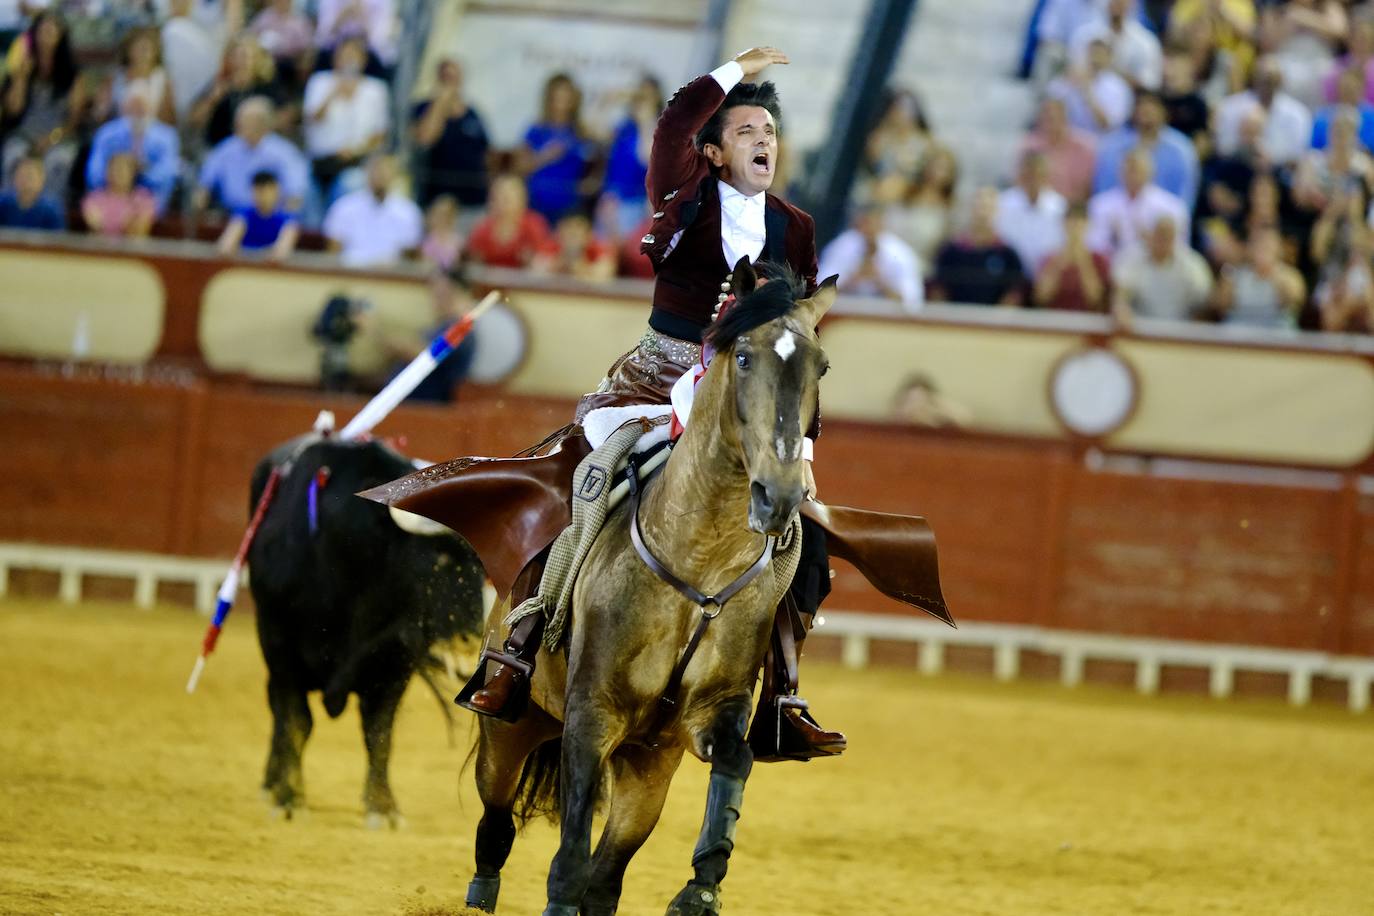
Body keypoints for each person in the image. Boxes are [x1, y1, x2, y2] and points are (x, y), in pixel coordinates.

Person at [465, 46, 849, 760]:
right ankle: (522, 640)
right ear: (713, 151)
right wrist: (732, 72)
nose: (764, 140)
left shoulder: (793, 227)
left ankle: (782, 694)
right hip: (652, 383)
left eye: (770, 130)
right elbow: (675, 123)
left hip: (744, 402)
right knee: (587, 484)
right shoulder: (687, 198)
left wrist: (803, 451)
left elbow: (796, 352)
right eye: (746, 130)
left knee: (805, 533)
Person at [0, 11, 84, 201]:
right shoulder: (23, 68)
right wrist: (20, 77)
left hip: (59, 136)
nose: (46, 36)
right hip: (24, 134)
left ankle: (49, 212)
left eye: (52, 31)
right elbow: (13, 110)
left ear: (61, 36)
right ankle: (8, 211)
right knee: (13, 155)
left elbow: (74, 120)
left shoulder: (72, 75)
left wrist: (52, 138)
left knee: (58, 161)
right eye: (42, 30)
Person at [303, 36, 388, 205]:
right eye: (344, 56)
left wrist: (356, 150)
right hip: (320, 160)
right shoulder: (320, 81)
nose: (348, 61)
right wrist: (334, 92)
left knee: (350, 185)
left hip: (355, 163)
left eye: (353, 56)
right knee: (302, 188)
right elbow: (311, 119)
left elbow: (379, 134)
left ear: (363, 60)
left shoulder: (375, 90)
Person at [196, 96, 308, 214]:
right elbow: (204, 184)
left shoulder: (285, 153)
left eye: (249, 122)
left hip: (268, 217)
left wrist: (279, 221)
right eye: (240, 123)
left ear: (264, 123)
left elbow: (295, 196)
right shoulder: (227, 148)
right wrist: (200, 206)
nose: (241, 127)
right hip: (229, 215)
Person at [1093, 90, 1199, 209]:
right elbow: (1103, 190)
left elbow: (1186, 195)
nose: (1146, 111)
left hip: (1164, 219)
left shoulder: (1181, 150)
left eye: (1152, 107)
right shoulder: (1112, 146)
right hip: (1118, 217)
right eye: (1141, 106)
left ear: (1165, 112)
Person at [411, 58, 490, 210]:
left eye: (454, 78)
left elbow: (486, 152)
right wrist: (440, 103)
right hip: (437, 199)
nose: (450, 84)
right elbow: (425, 139)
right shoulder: (423, 109)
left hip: (472, 199)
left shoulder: (472, 113)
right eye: (446, 78)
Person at [85, 90, 180, 215]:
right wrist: (117, 179)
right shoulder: (107, 134)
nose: (138, 111)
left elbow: (167, 174)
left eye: (142, 107)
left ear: (152, 109)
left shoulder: (167, 136)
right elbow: (94, 172)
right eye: (133, 106)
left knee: (146, 204)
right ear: (125, 108)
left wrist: (138, 175)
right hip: (111, 193)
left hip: (150, 197)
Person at [188, 34, 289, 148]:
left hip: (257, 146)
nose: (239, 62)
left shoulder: (266, 85)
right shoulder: (220, 84)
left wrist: (256, 126)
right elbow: (194, 120)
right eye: (235, 57)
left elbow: (285, 115)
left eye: (244, 56)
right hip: (221, 147)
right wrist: (213, 99)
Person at [518, 72, 594, 223]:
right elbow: (520, 167)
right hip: (538, 203)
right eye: (557, 95)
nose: (561, 100)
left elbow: (597, 164)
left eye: (566, 95)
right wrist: (544, 156)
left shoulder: (582, 131)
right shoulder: (536, 129)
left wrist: (591, 183)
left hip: (570, 208)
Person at [322, 153, 422, 267]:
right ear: (366, 172)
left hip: (390, 277)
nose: (380, 175)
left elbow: (409, 256)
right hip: (351, 274)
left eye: (385, 171)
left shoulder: (408, 212)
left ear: (395, 175)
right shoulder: (344, 207)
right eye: (376, 169)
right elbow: (333, 251)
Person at [930, 187, 1026, 306]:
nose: (982, 213)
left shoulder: (1008, 254)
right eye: (978, 206)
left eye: (988, 207)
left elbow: (1014, 294)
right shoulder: (950, 251)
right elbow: (938, 291)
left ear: (997, 211)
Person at [1086, 148, 1189, 258]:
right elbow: (1094, 245)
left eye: (1138, 170)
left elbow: (1180, 249)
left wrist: (1151, 240)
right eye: (1129, 170)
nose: (1133, 175)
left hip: (1154, 268)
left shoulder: (1171, 207)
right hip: (1112, 266)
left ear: (1151, 172)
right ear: (1119, 172)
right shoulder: (1100, 204)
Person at [818, 203, 924, 311]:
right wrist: (853, 279)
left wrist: (879, 281)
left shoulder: (901, 254)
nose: (869, 230)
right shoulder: (840, 247)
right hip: (845, 313)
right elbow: (818, 295)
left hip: (884, 318)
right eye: (864, 224)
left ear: (882, 224)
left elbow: (912, 303)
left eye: (874, 224)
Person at [1214, 56, 1313, 167]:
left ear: (1280, 80)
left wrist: (1271, 159)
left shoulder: (1297, 114)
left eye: (1271, 79)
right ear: (1253, 78)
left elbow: (1297, 156)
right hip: (1237, 168)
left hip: (1278, 173)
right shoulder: (1231, 107)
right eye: (1262, 78)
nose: (1266, 84)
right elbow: (1222, 148)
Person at [595, 74, 662, 239]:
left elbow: (646, 158)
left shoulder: (659, 128)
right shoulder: (625, 127)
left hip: (634, 203)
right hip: (610, 199)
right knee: (602, 250)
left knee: (627, 254)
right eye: (638, 97)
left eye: (646, 97)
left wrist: (645, 120)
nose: (640, 102)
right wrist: (607, 102)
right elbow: (597, 133)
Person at [1111, 214, 1214, 321]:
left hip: (1181, 329)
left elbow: (1204, 302)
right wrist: (1121, 307)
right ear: (1150, 235)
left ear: (1175, 237)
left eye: (1168, 236)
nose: (1163, 241)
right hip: (1139, 327)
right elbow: (1121, 294)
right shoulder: (1131, 258)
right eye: (1159, 234)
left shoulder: (1193, 264)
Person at [161, 0, 243, 121]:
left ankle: (180, 114)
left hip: (216, 52)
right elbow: (177, 16)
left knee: (174, 31)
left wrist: (223, 69)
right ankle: (179, 111)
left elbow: (233, 34)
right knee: (173, 30)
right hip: (190, 53)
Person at [1212, 226, 1305, 328]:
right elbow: (1221, 306)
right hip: (1240, 328)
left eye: (1268, 245)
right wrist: (1231, 265)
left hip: (1276, 330)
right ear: (1249, 248)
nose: (1262, 248)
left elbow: (1295, 302)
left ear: (1279, 248)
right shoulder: (1234, 273)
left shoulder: (1290, 276)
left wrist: (1273, 275)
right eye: (1258, 244)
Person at [996, 149, 1067, 278]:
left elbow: (1062, 250)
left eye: (1038, 174)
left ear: (1046, 176)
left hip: (1047, 279)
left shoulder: (1060, 207)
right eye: (1028, 174)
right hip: (1010, 278)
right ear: (1020, 175)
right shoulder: (1002, 204)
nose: (1033, 179)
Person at [887, 145, 958, 275]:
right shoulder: (904, 192)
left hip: (919, 268)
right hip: (889, 259)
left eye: (943, 169)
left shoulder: (949, 209)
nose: (936, 172)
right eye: (934, 166)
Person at [1046, 37, 1134, 134]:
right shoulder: (1073, 76)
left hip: (1100, 141)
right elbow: (1050, 102)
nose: (1096, 58)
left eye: (1100, 54)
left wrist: (1087, 90)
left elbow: (1106, 124)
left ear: (1109, 58)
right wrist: (1067, 80)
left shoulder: (1119, 88)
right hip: (1067, 137)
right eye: (1093, 53)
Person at [1070, 0, 1163, 91]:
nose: (1117, 2)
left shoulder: (1146, 41)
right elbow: (1074, 73)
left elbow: (1151, 83)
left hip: (1134, 100)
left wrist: (1114, 72)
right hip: (1089, 97)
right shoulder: (1085, 36)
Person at [1020, 96, 1098, 203]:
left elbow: (1088, 188)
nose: (1050, 123)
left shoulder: (1084, 147)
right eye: (1046, 118)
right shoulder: (1029, 146)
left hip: (1073, 210)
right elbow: (1021, 182)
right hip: (1037, 208)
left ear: (1065, 119)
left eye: (1054, 118)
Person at [1034, 203, 1111, 312]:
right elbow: (1041, 296)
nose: (1075, 227)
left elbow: (1095, 298)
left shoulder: (1099, 260)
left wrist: (1083, 260)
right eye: (1071, 221)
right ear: (1063, 224)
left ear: (1088, 225)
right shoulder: (1049, 258)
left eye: (1080, 222)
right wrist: (1060, 260)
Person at [465, 173, 551, 268]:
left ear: (521, 200)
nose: (501, 204)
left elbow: (546, 259)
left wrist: (534, 262)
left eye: (506, 199)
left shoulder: (534, 225)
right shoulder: (482, 228)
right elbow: (472, 259)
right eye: (496, 198)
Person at [216, 170, 299, 261]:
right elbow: (225, 248)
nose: (261, 196)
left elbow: (280, 254)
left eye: (265, 191)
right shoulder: (243, 215)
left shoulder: (288, 220)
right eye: (257, 191)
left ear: (276, 190)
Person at [110, 26, 175, 126]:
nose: (143, 54)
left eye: (146, 49)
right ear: (128, 50)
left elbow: (169, 118)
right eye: (138, 48)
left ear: (155, 52)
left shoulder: (162, 79)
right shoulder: (116, 77)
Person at [81, 152, 155, 238]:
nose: (117, 173)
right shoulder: (94, 198)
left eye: (123, 169)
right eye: (113, 168)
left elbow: (140, 231)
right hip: (100, 247)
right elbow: (95, 226)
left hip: (131, 249)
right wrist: (127, 221)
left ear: (133, 173)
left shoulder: (144, 198)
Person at [314, 0, 398, 74]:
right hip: (334, 49)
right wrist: (344, 13)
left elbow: (380, 41)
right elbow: (322, 37)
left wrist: (362, 15)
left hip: (370, 54)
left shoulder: (385, 2)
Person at [533, 212, 616, 282]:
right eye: (569, 230)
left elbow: (604, 274)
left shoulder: (598, 248)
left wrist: (580, 267)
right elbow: (535, 272)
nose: (573, 236)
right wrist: (559, 264)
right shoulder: (549, 246)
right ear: (559, 232)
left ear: (589, 234)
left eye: (577, 231)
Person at [249, 0, 315, 85]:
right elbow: (251, 37)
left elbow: (308, 47)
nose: (282, 3)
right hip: (265, 58)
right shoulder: (264, 17)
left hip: (290, 62)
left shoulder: (299, 21)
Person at [1311, 67, 1374, 152]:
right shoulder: (1323, 117)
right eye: (1345, 88)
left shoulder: (1371, 117)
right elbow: (1314, 149)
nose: (1347, 93)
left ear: (1362, 88)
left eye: (1352, 89)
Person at [0, 153, 62, 229]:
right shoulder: (3, 203)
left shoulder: (51, 209)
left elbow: (58, 238)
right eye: (21, 175)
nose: (24, 180)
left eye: (29, 176)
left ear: (41, 180)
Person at [419, 194, 463, 273]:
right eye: (439, 214)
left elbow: (457, 265)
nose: (441, 219)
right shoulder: (427, 239)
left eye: (445, 215)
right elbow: (423, 262)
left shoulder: (458, 241)